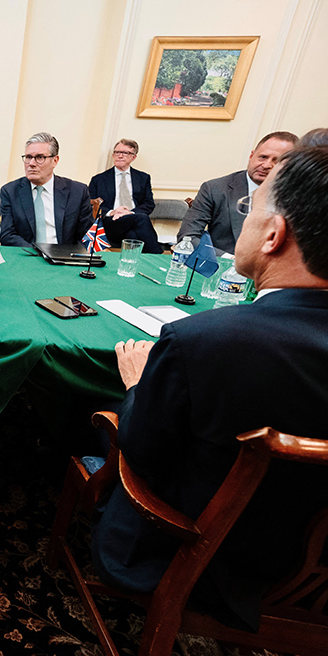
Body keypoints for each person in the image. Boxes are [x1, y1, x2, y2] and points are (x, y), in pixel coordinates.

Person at [92, 144, 328, 632]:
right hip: (316, 578)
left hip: (197, 558)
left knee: (100, 411)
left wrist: (137, 386)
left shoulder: (203, 341)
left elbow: (143, 451)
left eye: (250, 211)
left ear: (273, 235)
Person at [178, 131, 297, 253]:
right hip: (223, 266)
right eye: (263, 157)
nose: (266, 165)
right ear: (251, 156)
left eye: (276, 161)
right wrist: (229, 261)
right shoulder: (215, 188)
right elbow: (188, 237)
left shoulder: (297, 196)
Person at [0, 132, 93, 248]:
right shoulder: (10, 191)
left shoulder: (77, 192)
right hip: (28, 256)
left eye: (39, 157)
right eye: (28, 157)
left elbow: (86, 236)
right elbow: (7, 235)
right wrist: (39, 253)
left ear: (55, 160)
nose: (31, 164)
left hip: (63, 258)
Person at [87, 139, 161, 253]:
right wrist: (112, 212)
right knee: (142, 218)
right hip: (110, 223)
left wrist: (129, 213)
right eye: (117, 152)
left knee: (132, 235)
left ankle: (130, 267)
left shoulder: (143, 178)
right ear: (113, 155)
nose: (120, 156)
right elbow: (89, 205)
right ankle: (158, 257)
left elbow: (149, 204)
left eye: (125, 153)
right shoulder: (98, 179)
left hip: (133, 221)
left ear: (133, 157)